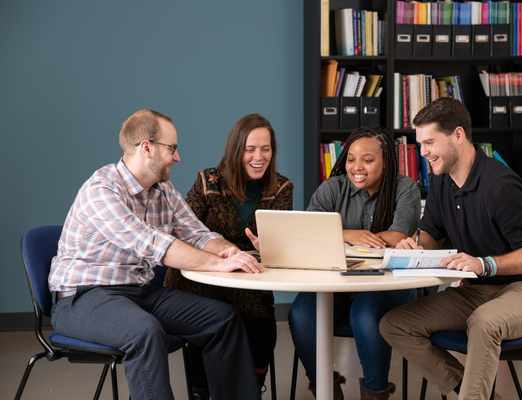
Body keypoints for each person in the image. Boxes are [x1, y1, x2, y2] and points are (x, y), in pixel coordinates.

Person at [48, 108, 265, 400]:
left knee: (222, 319)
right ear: (146, 147)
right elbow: (152, 244)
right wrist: (216, 264)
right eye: (172, 148)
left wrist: (230, 252)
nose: (178, 157)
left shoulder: (163, 189)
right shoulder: (101, 190)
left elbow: (198, 233)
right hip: (84, 297)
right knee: (145, 332)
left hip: (140, 292)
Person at [379, 98, 522, 400]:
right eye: (420, 144)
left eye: (429, 143)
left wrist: (484, 264)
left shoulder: (501, 186)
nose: (423, 152)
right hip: (479, 290)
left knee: (484, 322)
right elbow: (431, 236)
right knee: (395, 324)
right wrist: (413, 243)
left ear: (458, 135)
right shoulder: (441, 182)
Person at [288, 129, 421, 400]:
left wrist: (338, 235)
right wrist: (349, 234)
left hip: (387, 286)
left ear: (386, 161)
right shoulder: (332, 188)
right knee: (301, 312)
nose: (357, 167)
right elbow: (309, 232)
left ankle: (375, 392)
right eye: (351, 159)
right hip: (339, 286)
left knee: (364, 313)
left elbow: (398, 236)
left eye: (368, 160)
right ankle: (324, 386)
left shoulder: (405, 187)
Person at [164, 113, 293, 391]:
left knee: (263, 332)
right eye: (250, 149)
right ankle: (202, 392)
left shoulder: (281, 187)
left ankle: (249, 389)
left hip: (249, 281)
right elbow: (184, 231)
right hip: (200, 279)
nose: (259, 157)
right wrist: (221, 254)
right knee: (204, 327)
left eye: (266, 149)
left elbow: (283, 245)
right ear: (236, 151)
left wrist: (271, 249)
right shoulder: (206, 181)